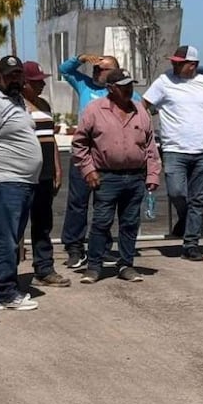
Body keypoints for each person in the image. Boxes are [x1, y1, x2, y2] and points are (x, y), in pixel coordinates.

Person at [143, 46, 203, 261]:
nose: (174, 65)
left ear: (192, 65)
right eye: (173, 62)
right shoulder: (164, 81)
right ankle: (184, 218)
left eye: (179, 63)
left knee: (198, 199)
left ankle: (191, 244)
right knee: (176, 193)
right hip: (174, 149)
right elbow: (143, 105)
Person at [72, 70, 161, 284]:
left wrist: (153, 174)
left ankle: (126, 264)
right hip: (106, 177)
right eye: (124, 86)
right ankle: (94, 266)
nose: (129, 90)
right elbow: (79, 143)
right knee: (102, 222)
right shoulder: (94, 110)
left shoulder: (140, 111)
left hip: (135, 177)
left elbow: (150, 146)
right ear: (111, 88)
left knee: (130, 223)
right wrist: (88, 170)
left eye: (130, 85)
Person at [0, 55, 42, 311]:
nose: (15, 79)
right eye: (10, 75)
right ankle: (5, 293)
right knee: (5, 239)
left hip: (21, 182)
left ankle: (3, 286)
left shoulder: (17, 100)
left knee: (12, 237)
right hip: (4, 181)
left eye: (18, 74)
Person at [58, 53, 141, 268]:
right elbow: (64, 70)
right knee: (78, 203)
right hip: (84, 155)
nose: (96, 72)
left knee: (105, 206)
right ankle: (75, 248)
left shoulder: (127, 94)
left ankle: (102, 248)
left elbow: (140, 118)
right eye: (95, 69)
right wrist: (81, 59)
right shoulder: (85, 85)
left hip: (108, 160)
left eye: (101, 69)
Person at [21, 61, 69, 287]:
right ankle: (7, 274)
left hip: (45, 175)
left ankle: (44, 269)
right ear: (24, 83)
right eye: (36, 81)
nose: (41, 84)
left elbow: (51, 140)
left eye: (42, 80)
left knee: (42, 224)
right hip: (24, 175)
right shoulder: (17, 107)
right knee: (17, 224)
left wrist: (58, 168)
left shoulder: (44, 105)